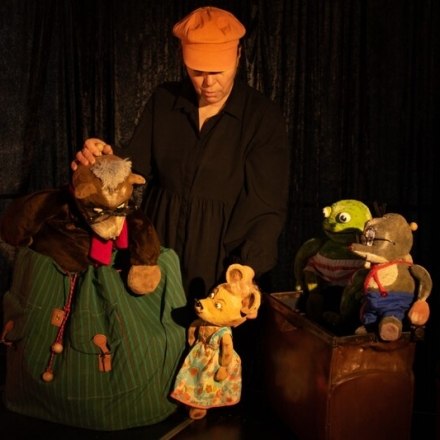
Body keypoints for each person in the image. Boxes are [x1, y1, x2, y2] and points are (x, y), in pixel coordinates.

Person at [73, 6, 289, 305]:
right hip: (158, 251)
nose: (208, 83)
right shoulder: (164, 100)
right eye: (197, 71)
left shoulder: (262, 117)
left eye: (218, 71)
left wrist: (245, 271)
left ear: (238, 55)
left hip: (220, 261)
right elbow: (134, 166)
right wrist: (104, 161)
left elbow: (266, 207)